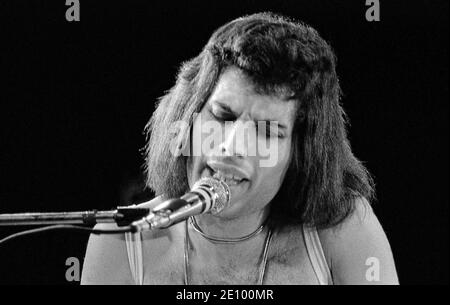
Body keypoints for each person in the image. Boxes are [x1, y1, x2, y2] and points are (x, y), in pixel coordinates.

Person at [81, 12, 398, 285]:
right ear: (187, 118)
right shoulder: (120, 240)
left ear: (300, 155)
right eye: (222, 116)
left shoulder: (345, 229)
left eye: (267, 131)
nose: (231, 148)